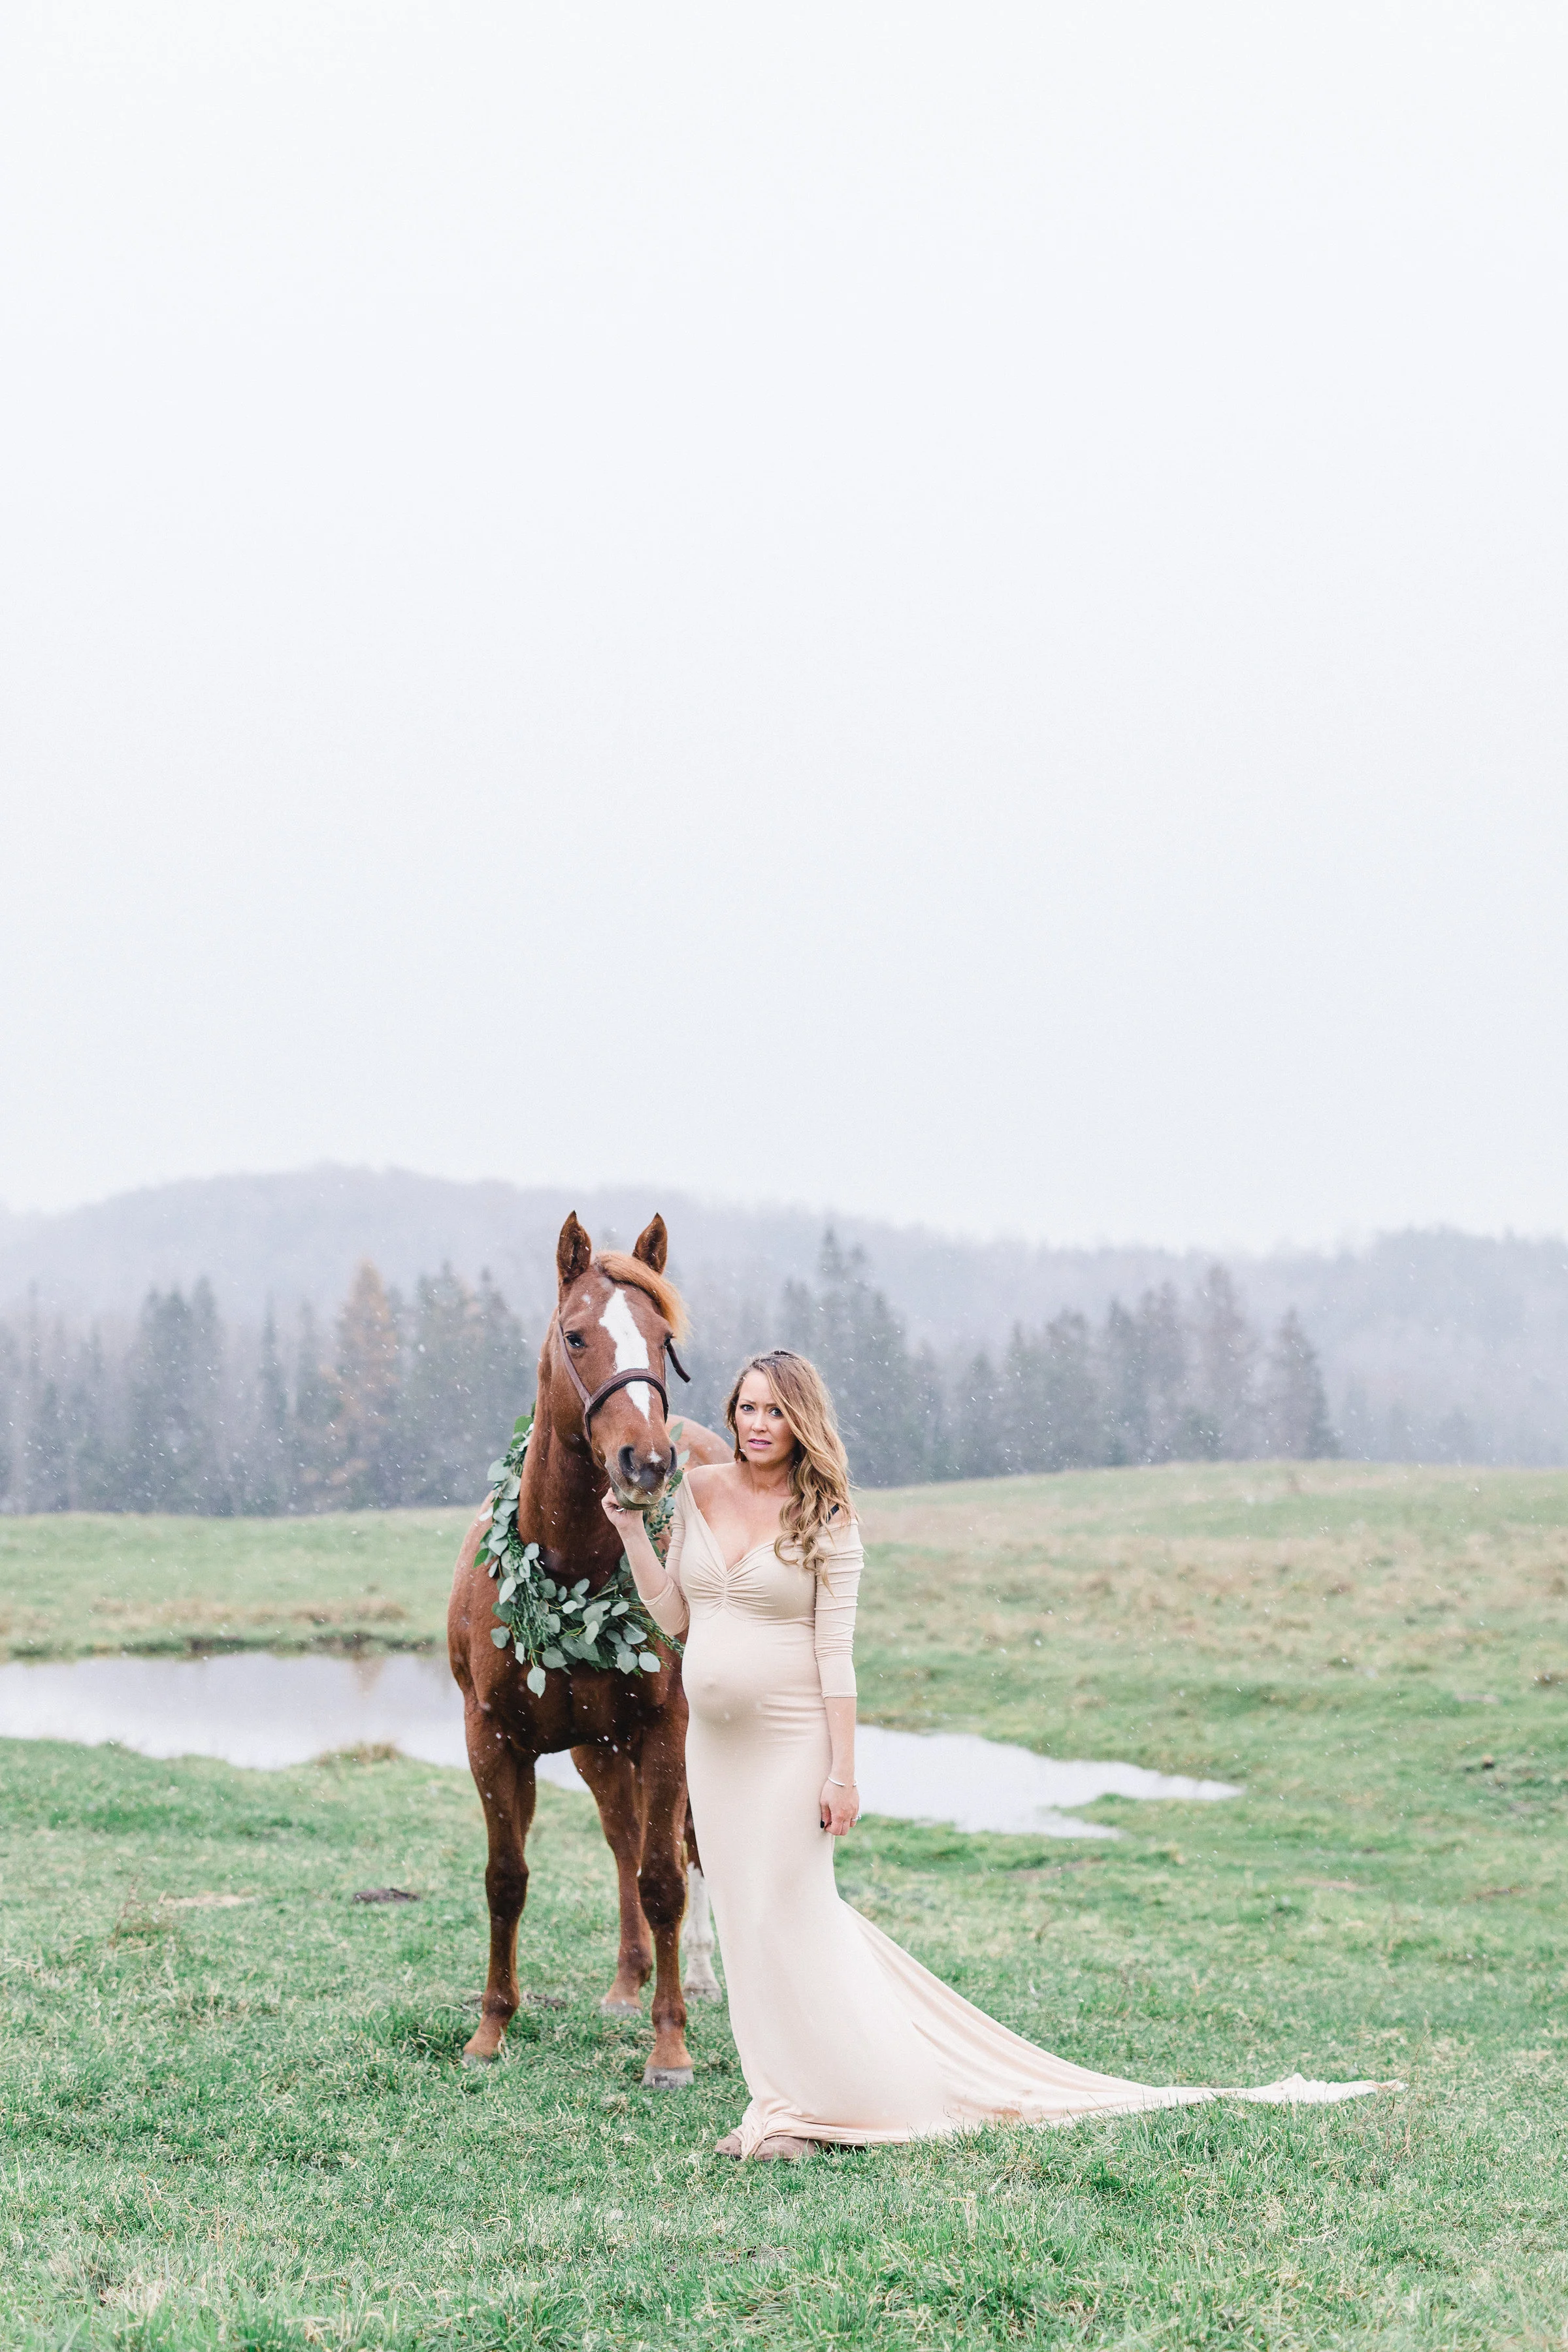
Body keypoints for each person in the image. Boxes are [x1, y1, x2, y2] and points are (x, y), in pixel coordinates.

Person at [604, 1349, 1389, 2161]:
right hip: (718, 1754)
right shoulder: (697, 1492)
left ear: (802, 1423)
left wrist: (843, 1772)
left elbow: (836, 1655)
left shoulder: (827, 1516)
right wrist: (632, 1533)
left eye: (775, 1411)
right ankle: (782, 2095)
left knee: (791, 1911)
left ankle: (812, 2108)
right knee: (744, 1920)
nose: (758, 1425)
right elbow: (677, 1616)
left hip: (793, 1745)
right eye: (747, 1408)